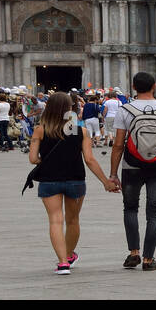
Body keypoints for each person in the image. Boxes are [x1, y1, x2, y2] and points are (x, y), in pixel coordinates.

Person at [30, 91, 116, 275]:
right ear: (70, 109)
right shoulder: (81, 131)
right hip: (75, 179)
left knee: (55, 220)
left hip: (49, 180)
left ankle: (62, 263)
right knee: (73, 220)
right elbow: (90, 160)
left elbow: (32, 158)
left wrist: (46, 160)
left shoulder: (40, 129)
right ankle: (68, 255)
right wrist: (105, 182)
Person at [109, 71, 156, 270]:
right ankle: (149, 260)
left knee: (130, 209)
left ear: (133, 87)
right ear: (155, 86)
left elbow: (117, 145)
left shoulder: (125, 110)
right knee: (154, 213)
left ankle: (134, 253)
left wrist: (113, 174)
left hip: (131, 166)